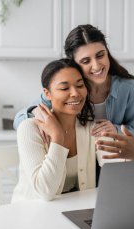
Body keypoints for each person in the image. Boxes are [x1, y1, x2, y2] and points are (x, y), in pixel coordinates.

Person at [13, 24, 134, 160]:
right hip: (76, 162)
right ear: (74, 64)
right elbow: (18, 121)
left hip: (111, 161)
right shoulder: (70, 91)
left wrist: (115, 129)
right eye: (86, 61)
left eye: (100, 55)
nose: (97, 66)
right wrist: (34, 111)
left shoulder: (129, 88)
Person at [12, 58, 114, 203]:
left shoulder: (93, 128)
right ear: (47, 94)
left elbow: (118, 172)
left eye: (80, 85)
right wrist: (57, 137)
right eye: (64, 88)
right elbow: (45, 192)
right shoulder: (29, 128)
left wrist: (129, 150)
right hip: (31, 214)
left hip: (73, 211)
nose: (75, 93)